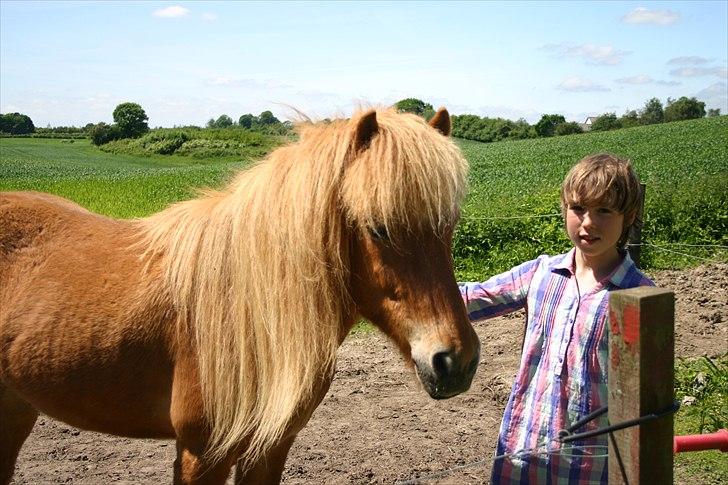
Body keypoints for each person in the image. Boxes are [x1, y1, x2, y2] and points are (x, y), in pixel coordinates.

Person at [460, 153, 654, 484]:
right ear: (565, 208)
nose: (588, 222)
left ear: (629, 216)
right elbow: (470, 299)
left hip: (590, 468)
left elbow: (646, 398)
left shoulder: (640, 296)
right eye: (578, 208)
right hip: (522, 454)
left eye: (604, 210)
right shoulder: (540, 274)